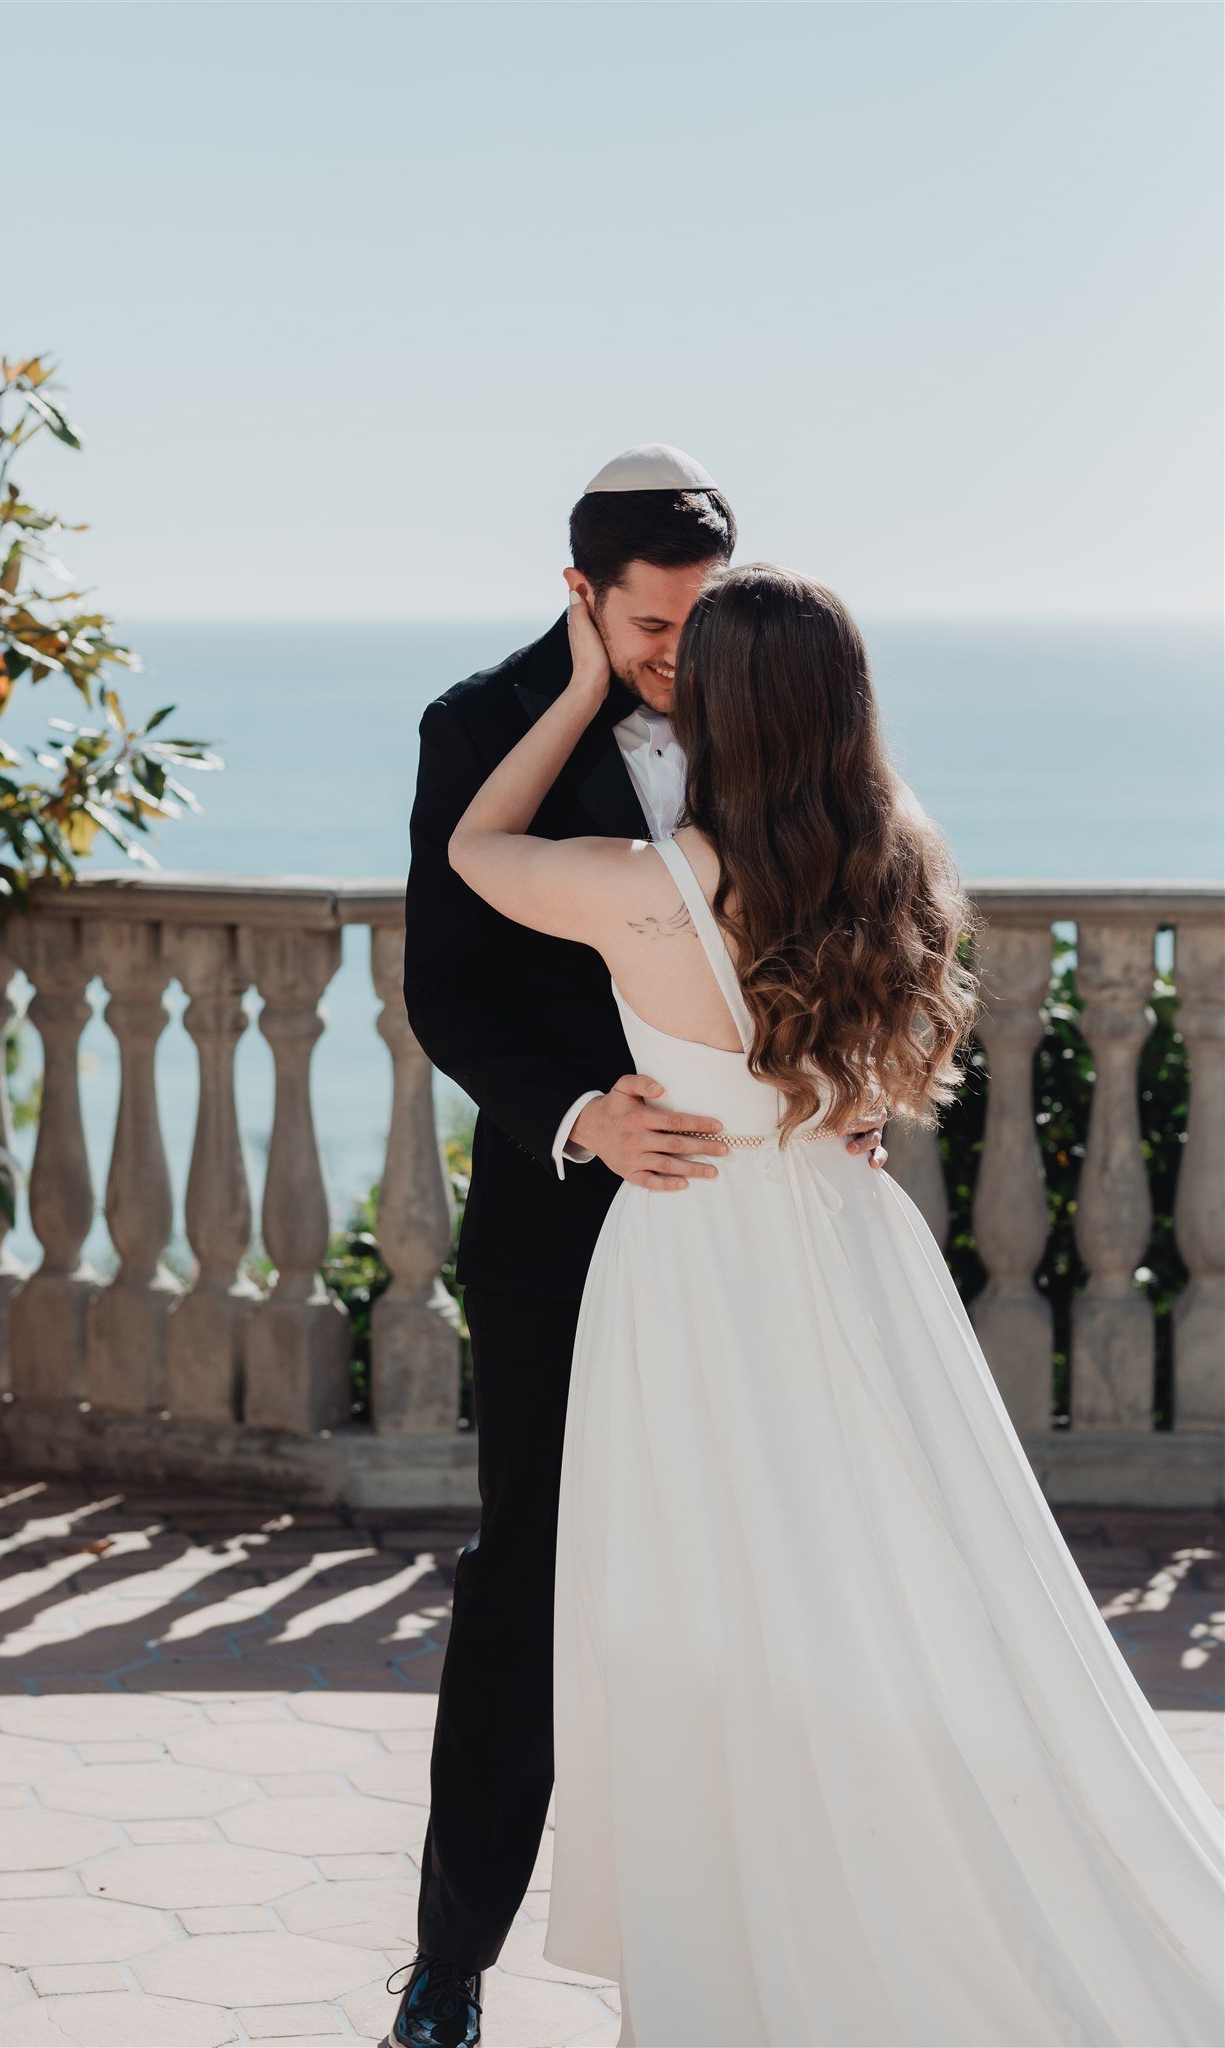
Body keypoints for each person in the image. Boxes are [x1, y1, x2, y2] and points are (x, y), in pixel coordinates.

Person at [444, 561, 1225, 2047]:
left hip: (687, 1262)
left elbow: (477, 844)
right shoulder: (902, 856)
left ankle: (753, 1938)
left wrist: (573, 684)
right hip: (850, 1253)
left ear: (725, 711)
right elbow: (868, 1074)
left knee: (700, 1608)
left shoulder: (648, 890)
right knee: (885, 1585)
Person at [386, 446, 888, 2048]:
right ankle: (450, 1963)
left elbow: (841, 931)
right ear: (581, 598)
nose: (680, 655)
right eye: (652, 627)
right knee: (526, 1580)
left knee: (776, 1572)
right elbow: (447, 990)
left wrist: (840, 1095)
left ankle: (761, 1945)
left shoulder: (770, 711)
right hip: (562, 1227)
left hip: (761, 1230)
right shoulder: (475, 729)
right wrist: (578, 1117)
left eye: (701, 621)